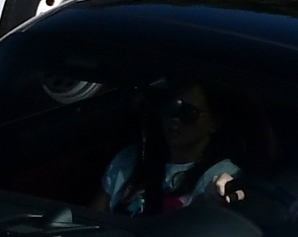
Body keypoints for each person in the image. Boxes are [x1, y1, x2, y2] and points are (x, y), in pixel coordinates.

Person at [100, 82, 247, 214]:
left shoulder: (220, 175)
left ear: (213, 123)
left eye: (188, 113)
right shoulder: (130, 159)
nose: (175, 119)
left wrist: (214, 200)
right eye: (171, 108)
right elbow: (95, 218)